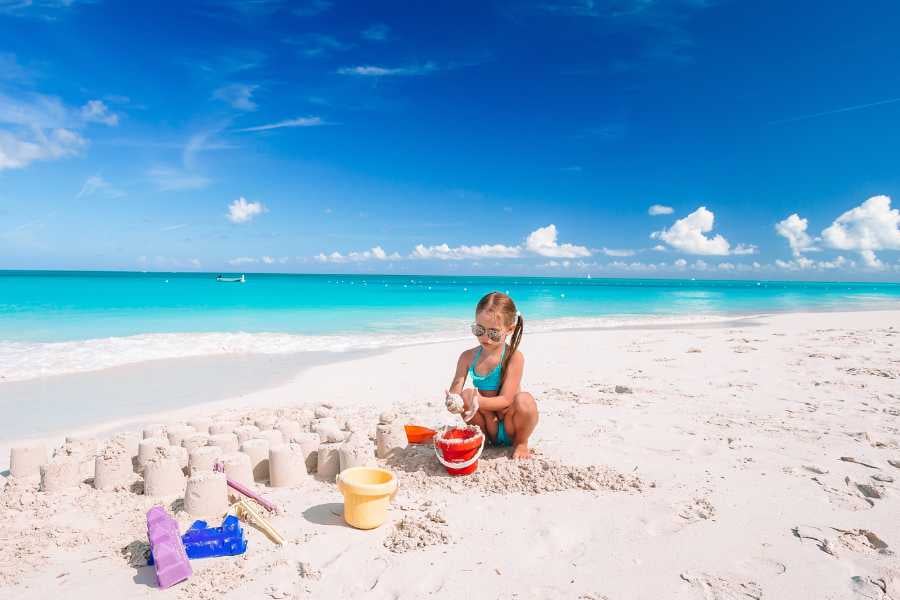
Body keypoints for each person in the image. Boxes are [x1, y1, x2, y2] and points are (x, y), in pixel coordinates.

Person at [445, 291, 539, 459]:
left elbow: (506, 400)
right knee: (465, 395)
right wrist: (453, 401)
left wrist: (477, 401)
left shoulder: (513, 357)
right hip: (486, 427)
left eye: (493, 333)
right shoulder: (467, 357)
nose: (485, 337)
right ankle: (483, 441)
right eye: (479, 330)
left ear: (509, 329)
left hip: (511, 426)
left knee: (525, 400)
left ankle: (521, 443)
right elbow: (456, 390)